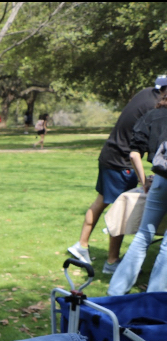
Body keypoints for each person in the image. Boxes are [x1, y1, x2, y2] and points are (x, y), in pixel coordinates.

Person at [67, 77, 167, 274]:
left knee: (101, 201)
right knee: (122, 209)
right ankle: (111, 262)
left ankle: (81, 245)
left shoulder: (144, 94)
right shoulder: (155, 107)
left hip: (109, 154)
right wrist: (143, 178)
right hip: (122, 160)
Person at [107, 89, 167, 295]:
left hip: (160, 179)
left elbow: (134, 154)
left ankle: (115, 292)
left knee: (143, 236)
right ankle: (154, 298)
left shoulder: (151, 115)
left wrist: (144, 183)